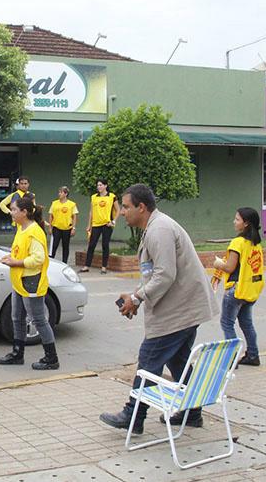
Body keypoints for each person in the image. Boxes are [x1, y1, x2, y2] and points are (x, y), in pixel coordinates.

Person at [100, 184, 216, 433]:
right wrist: (134, 296)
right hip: (183, 307)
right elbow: (154, 273)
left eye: (127, 207)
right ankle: (192, 411)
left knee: (150, 357)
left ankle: (134, 415)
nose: (122, 212)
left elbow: (165, 275)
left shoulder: (159, 229)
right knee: (177, 359)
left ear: (141, 207)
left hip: (180, 309)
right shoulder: (153, 227)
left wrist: (138, 297)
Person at [0, 195, 60, 370]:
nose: (12, 212)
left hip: (31, 281)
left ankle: (51, 358)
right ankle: (17, 354)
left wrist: (16, 262)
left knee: (39, 320)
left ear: (24, 212)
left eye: (14, 210)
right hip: (19, 280)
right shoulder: (21, 228)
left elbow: (38, 259)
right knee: (17, 317)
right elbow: (22, 252)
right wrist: (11, 257)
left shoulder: (34, 232)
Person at [214, 208, 265, 367]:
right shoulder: (255, 243)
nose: (234, 222)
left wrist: (218, 264)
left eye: (237, 219)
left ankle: (231, 358)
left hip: (236, 290)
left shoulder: (237, 242)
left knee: (227, 323)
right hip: (250, 290)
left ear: (246, 223)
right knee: (247, 323)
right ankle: (253, 355)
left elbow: (229, 267)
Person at [80, 179, 119, 274]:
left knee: (105, 245)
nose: (99, 187)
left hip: (107, 224)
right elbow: (91, 212)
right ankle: (86, 266)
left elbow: (118, 210)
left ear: (105, 186)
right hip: (96, 224)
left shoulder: (112, 196)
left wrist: (113, 222)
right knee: (91, 245)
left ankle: (104, 267)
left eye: (101, 185)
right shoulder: (94, 197)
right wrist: (89, 225)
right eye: (98, 185)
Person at [48, 186, 78, 263]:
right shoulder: (54, 203)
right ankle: (51, 262)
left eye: (61, 192)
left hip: (67, 228)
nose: (59, 194)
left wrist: (73, 228)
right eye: (59, 192)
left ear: (66, 194)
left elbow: (74, 216)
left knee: (65, 246)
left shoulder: (72, 204)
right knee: (54, 246)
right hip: (56, 227)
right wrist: (50, 227)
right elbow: (51, 215)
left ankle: (65, 263)